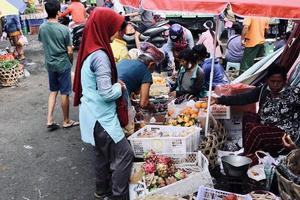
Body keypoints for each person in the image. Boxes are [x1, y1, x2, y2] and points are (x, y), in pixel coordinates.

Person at [73, 8, 133, 200]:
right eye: (114, 28)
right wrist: (120, 87)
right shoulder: (100, 56)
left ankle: (102, 190)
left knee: (100, 154)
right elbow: (107, 93)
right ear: (104, 27)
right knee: (125, 154)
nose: (117, 33)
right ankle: (118, 195)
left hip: (90, 114)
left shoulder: (90, 51)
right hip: (102, 117)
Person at [212, 63, 300, 157]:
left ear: (284, 81)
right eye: (272, 81)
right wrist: (219, 100)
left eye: (279, 82)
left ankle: (246, 158)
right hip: (265, 124)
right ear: (267, 80)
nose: (275, 85)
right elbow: (244, 98)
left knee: (255, 131)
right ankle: (249, 151)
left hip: (283, 132)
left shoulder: (294, 93)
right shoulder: (263, 89)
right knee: (247, 117)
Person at [39, 0, 79, 130]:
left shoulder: (42, 27)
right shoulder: (64, 29)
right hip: (62, 63)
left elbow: (43, 42)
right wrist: (70, 61)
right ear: (58, 12)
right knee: (64, 93)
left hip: (50, 63)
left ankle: (49, 119)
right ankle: (66, 120)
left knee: (53, 91)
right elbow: (69, 50)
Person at [117, 42, 165, 109]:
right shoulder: (146, 72)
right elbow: (143, 104)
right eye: (154, 69)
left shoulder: (124, 61)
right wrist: (153, 109)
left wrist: (134, 104)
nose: (152, 72)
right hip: (118, 103)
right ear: (151, 64)